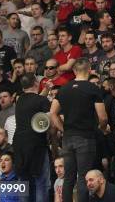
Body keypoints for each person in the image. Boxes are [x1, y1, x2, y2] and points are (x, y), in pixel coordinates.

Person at [50, 58, 108, 202]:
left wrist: (63, 129)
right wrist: (101, 128)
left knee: (68, 177)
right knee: (83, 176)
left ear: (74, 71)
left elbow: (52, 113)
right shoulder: (92, 88)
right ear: (89, 70)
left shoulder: (64, 88)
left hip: (68, 138)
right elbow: (103, 117)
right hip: (86, 138)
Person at [13, 74, 51, 202]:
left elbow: (35, 102)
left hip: (19, 144)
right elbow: (47, 121)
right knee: (41, 183)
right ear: (36, 83)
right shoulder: (42, 101)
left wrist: (46, 90)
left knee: (23, 183)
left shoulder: (19, 100)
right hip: (36, 144)